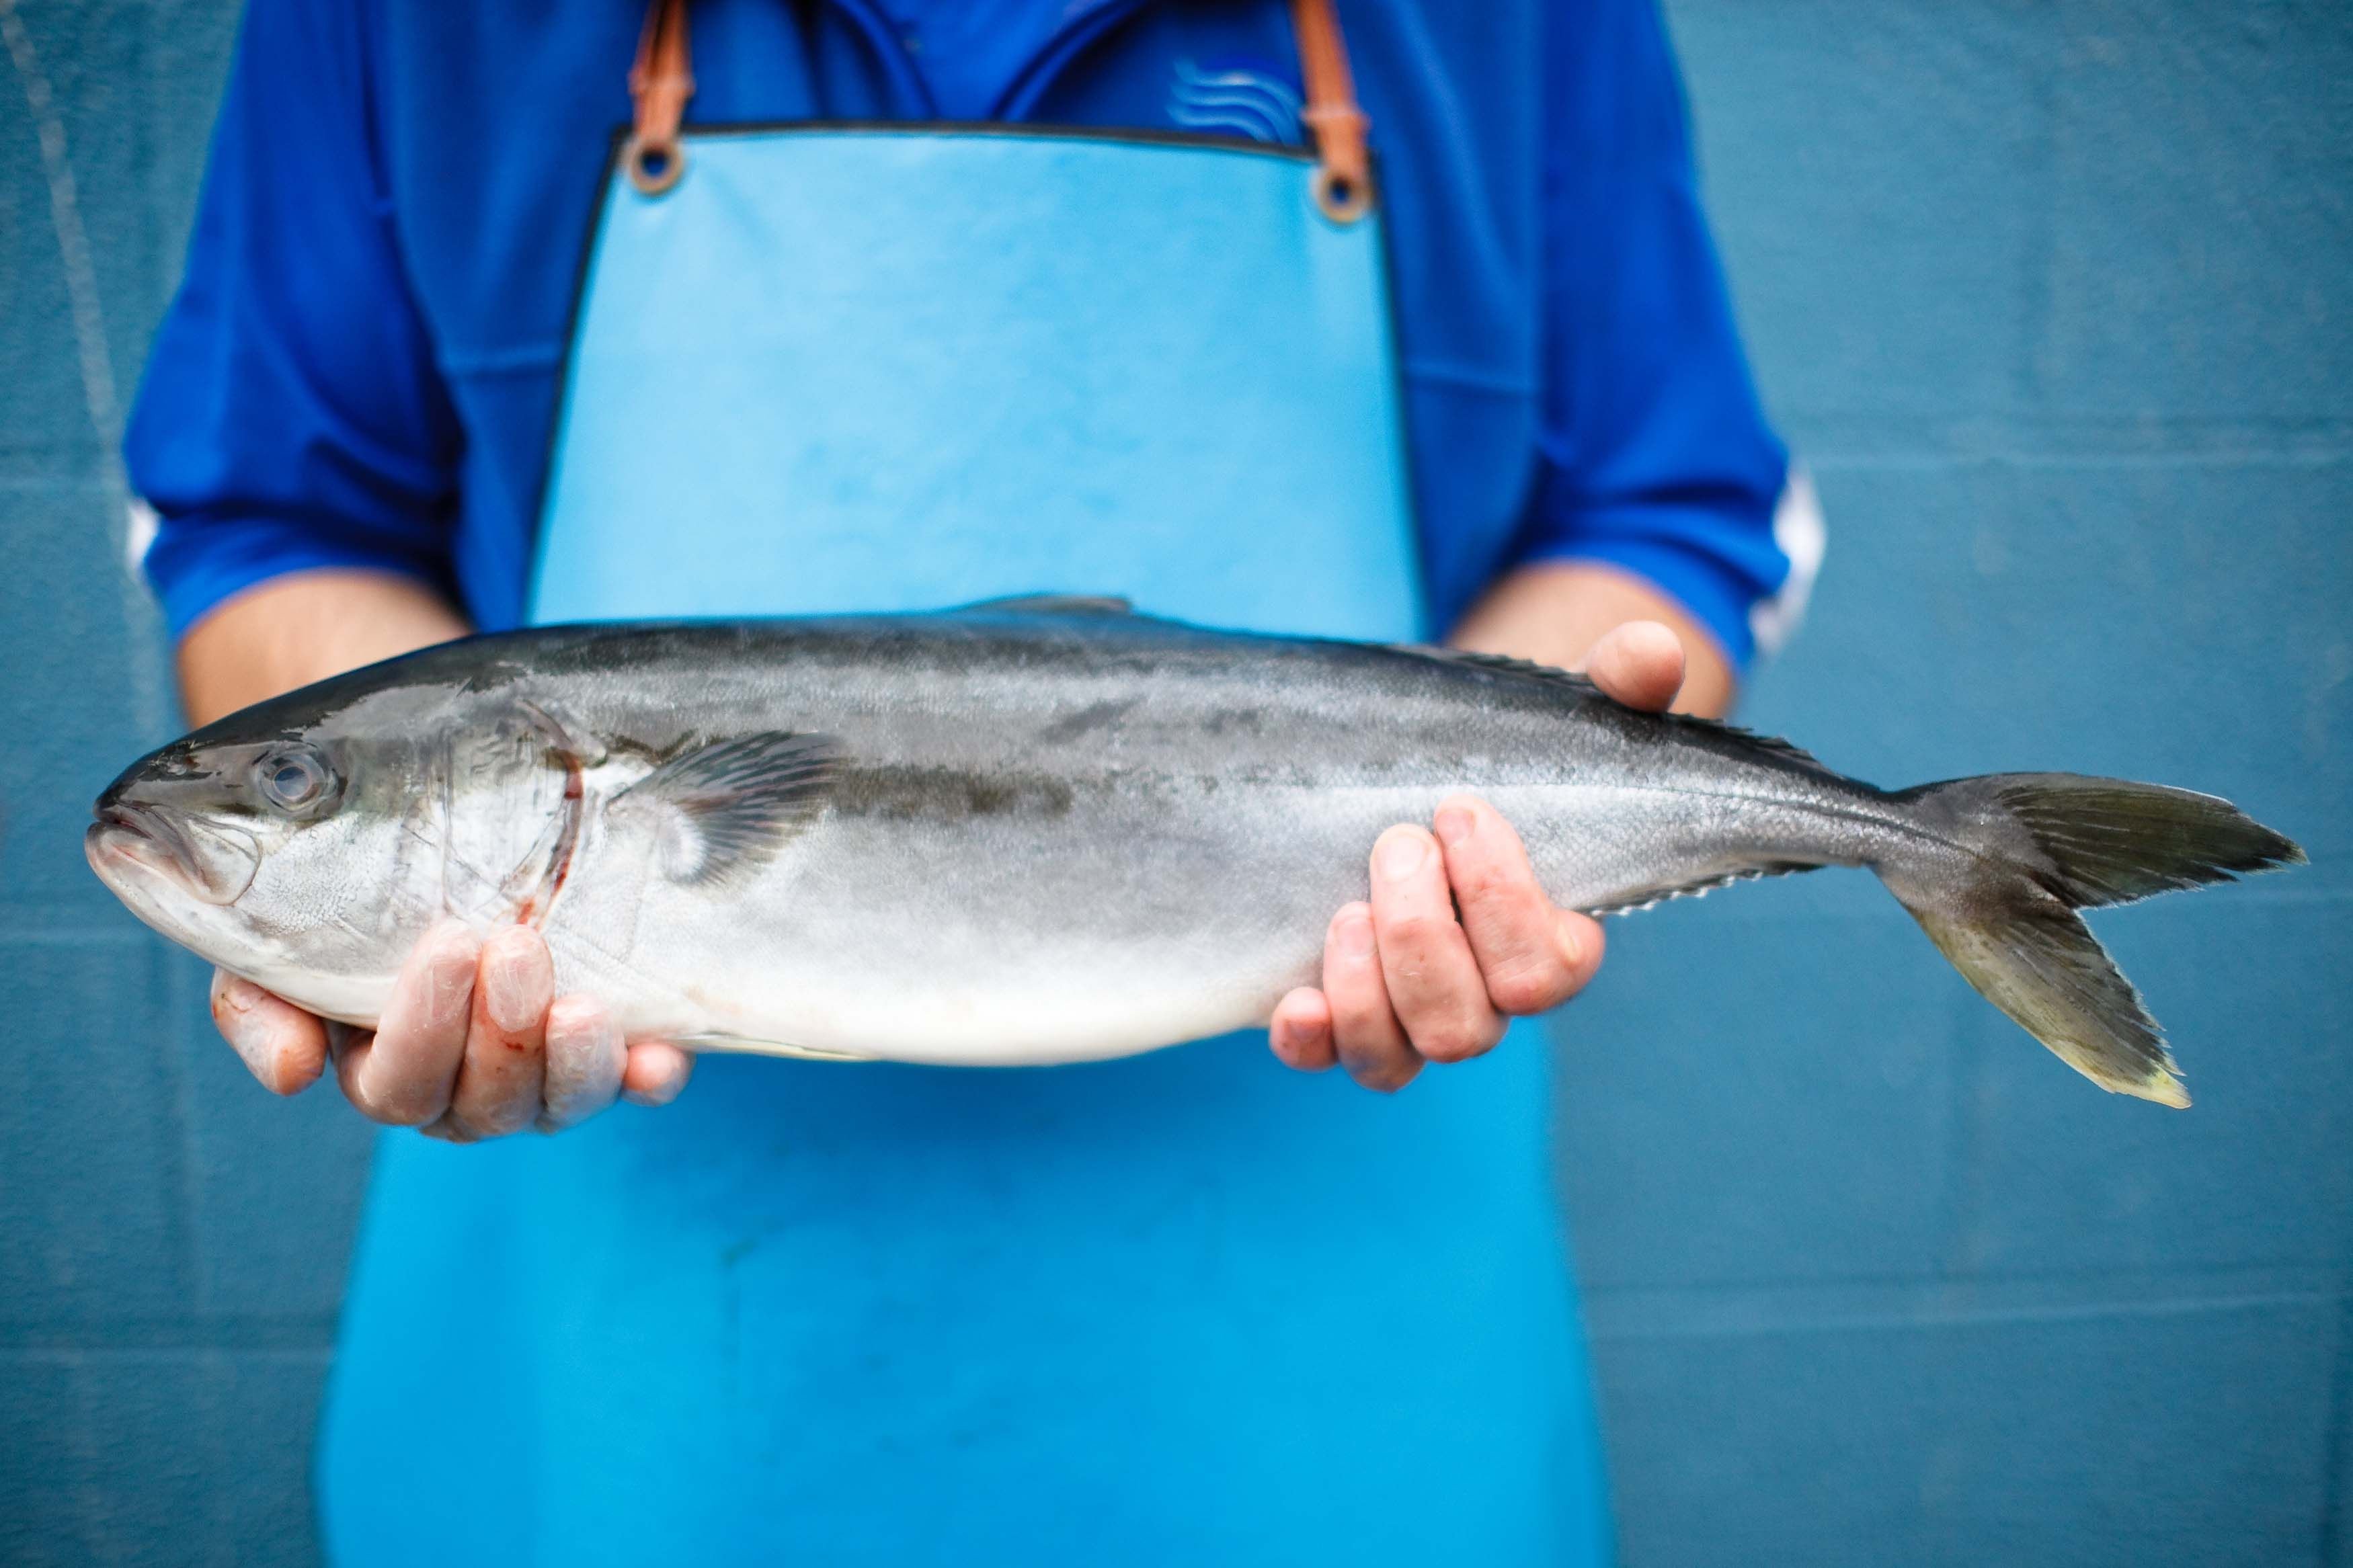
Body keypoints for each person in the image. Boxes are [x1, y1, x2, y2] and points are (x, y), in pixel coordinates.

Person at [128, 1, 1814, 1561]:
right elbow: (266, 514)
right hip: (633, 1365)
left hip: (1326, 1343)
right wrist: (372, 926)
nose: (263, 806)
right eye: (297, 788)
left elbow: (1676, 507)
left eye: (292, 788)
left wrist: (1496, 815)